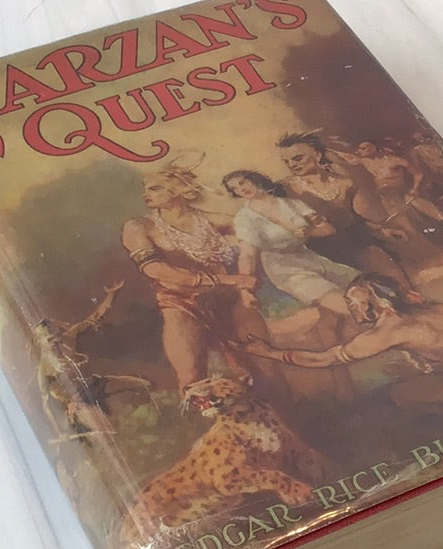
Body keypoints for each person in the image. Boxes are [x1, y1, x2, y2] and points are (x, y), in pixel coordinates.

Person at [241, 274, 443, 432]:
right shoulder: (426, 309)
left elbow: (322, 359)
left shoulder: (389, 331)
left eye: (353, 301)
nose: (351, 308)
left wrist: (267, 352)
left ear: (374, 300)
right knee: (404, 392)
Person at [121, 164, 259, 393]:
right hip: (180, 304)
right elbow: (156, 270)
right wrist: (229, 280)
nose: (146, 194)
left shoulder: (215, 220)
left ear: (179, 189)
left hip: (228, 301)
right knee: (191, 378)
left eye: (155, 188)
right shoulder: (138, 227)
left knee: (257, 368)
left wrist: (245, 277)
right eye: (145, 188)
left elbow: (256, 235)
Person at [276, 132, 419, 292]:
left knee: (392, 274)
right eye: (287, 161)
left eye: (298, 158)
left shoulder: (345, 183)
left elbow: (353, 220)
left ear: (317, 155)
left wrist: (382, 230)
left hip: (352, 242)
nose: (292, 165)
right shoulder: (285, 189)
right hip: (318, 250)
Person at [222, 169, 358, 320]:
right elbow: (247, 254)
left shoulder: (293, 204)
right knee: (335, 299)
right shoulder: (245, 218)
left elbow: (328, 229)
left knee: (360, 283)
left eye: (243, 183)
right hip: (283, 269)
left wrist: (308, 232)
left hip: (309, 257)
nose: (241, 189)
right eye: (235, 188)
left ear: (255, 179)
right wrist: (246, 290)